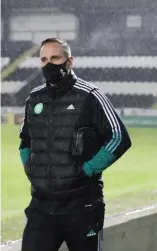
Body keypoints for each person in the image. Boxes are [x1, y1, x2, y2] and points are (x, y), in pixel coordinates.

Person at [19, 38, 131, 251]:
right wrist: (30, 168)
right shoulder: (34, 98)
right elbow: (25, 141)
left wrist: (87, 169)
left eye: (55, 58)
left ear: (69, 61)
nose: (49, 64)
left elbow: (119, 138)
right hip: (41, 206)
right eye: (44, 59)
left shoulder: (90, 95)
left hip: (82, 206)